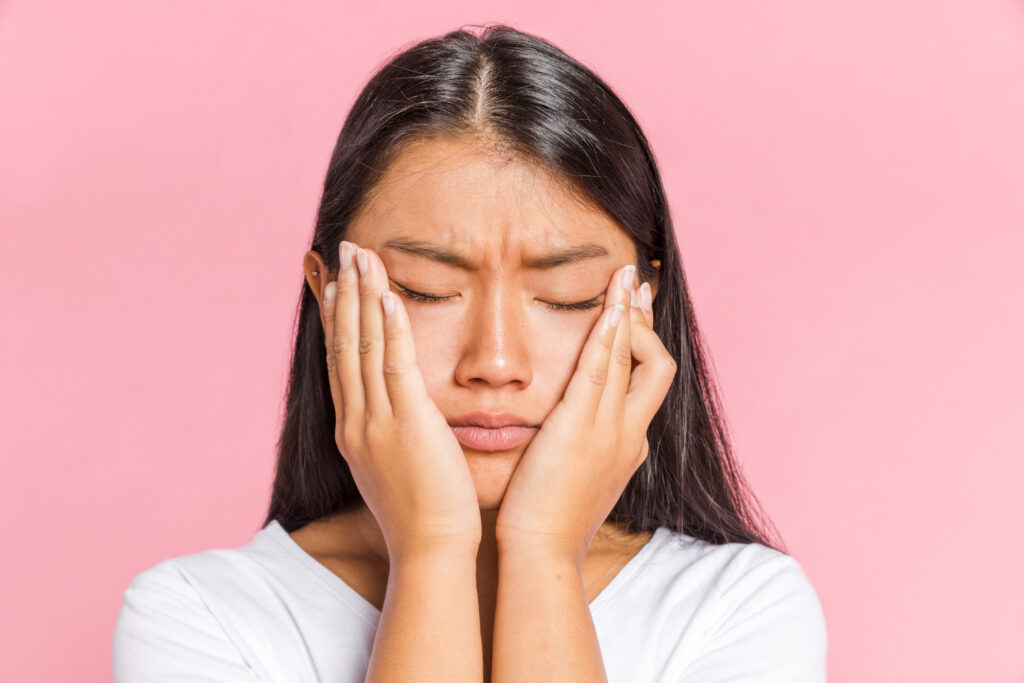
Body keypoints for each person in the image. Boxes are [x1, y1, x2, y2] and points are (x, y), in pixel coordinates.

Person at [112, 24, 827, 682]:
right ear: (329, 296)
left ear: (644, 302)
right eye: (425, 290)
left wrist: (543, 551)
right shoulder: (199, 617)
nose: (494, 362)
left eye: (567, 295)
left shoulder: (738, 609)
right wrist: (431, 548)